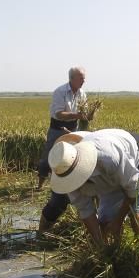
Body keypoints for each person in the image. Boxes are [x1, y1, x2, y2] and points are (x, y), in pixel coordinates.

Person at [47, 128, 139, 245]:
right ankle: (116, 253)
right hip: (113, 176)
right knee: (105, 225)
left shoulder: (108, 158)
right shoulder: (66, 176)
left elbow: (134, 187)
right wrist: (100, 245)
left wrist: (118, 220)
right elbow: (86, 211)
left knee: (138, 218)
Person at [37, 67, 89, 233]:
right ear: (72, 79)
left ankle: (66, 181)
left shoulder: (82, 93)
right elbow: (58, 114)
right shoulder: (60, 92)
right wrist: (77, 115)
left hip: (73, 129)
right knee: (48, 158)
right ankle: (40, 184)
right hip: (58, 129)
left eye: (84, 78)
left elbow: (83, 113)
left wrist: (86, 117)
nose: (83, 81)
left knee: (71, 159)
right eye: (81, 78)